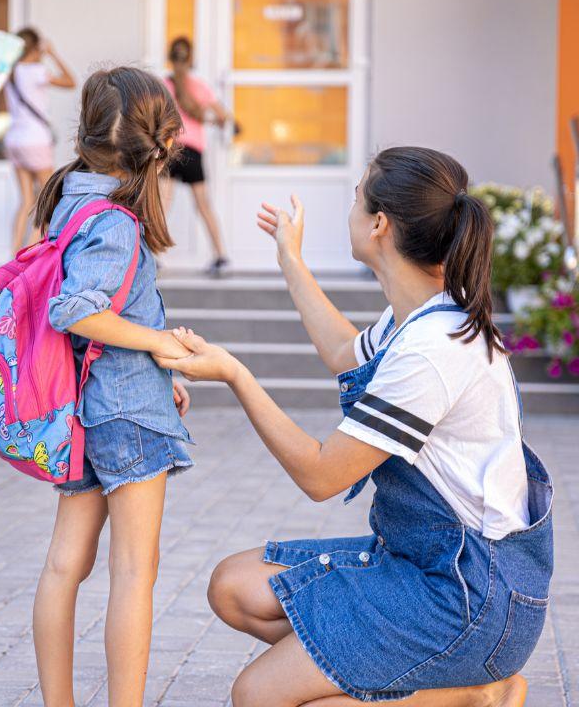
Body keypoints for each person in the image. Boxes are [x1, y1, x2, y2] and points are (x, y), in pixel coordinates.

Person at [157, 147, 549, 707]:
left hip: (468, 596)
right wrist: (291, 260)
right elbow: (345, 352)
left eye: (356, 194)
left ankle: (472, 694)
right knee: (235, 588)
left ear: (379, 223)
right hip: (422, 563)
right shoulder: (419, 315)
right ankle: (414, 674)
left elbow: (322, 476)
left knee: (257, 697)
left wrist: (235, 375)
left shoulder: (433, 351)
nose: (350, 209)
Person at [30, 67, 194, 707]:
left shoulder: (67, 199)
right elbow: (75, 309)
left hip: (81, 408)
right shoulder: (117, 221)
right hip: (125, 414)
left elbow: (107, 309)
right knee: (135, 573)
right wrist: (159, 346)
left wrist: (161, 370)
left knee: (63, 566)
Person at [162, 36, 232, 276]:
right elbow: (223, 116)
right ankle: (221, 255)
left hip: (170, 150)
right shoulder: (200, 87)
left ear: (170, 58)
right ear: (191, 59)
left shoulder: (164, 85)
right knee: (204, 206)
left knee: (161, 206)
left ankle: (150, 257)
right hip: (192, 151)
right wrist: (209, 119)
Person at [5, 27, 76, 252]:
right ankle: (29, 251)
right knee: (48, 198)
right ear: (36, 48)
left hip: (14, 139)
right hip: (35, 139)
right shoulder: (36, 70)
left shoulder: (10, 72)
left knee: (26, 199)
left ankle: (14, 251)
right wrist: (53, 53)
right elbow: (70, 81)